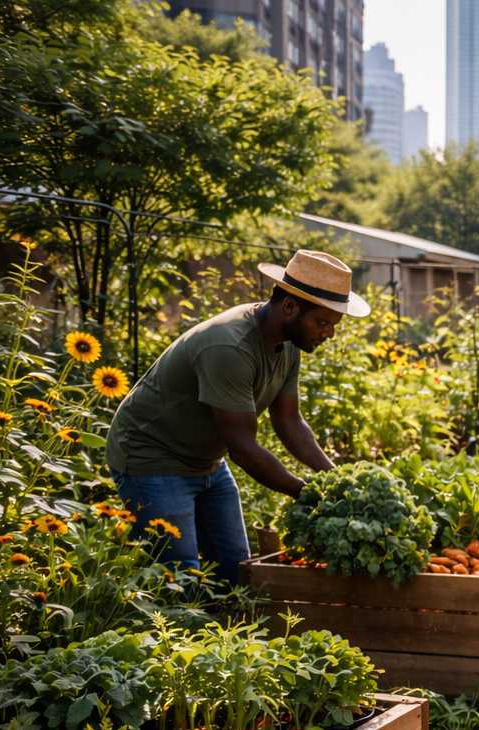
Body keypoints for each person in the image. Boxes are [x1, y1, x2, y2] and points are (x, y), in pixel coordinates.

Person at [107, 249, 371, 583]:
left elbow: (289, 421)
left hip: (207, 462)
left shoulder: (288, 342)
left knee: (238, 575)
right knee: (180, 581)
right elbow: (243, 447)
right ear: (289, 307)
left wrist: (336, 480)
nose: (329, 333)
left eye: (333, 325)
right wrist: (305, 491)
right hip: (153, 458)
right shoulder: (230, 347)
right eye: (322, 322)